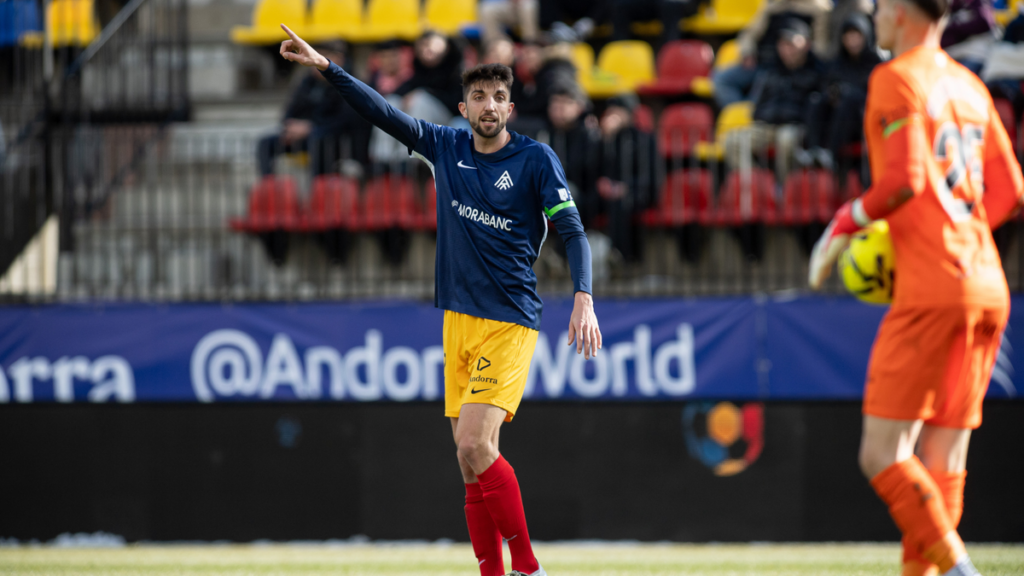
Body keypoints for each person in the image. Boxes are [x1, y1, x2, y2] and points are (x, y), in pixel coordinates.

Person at [278, 23, 601, 576]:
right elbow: (382, 112)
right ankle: (491, 572)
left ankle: (527, 568)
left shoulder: (536, 159)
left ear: (510, 107)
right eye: (479, 96)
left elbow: (572, 231)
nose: (489, 105)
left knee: (475, 443)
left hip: (509, 319)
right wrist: (327, 68)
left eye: (498, 96)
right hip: (458, 320)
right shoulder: (445, 146)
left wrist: (583, 297)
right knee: (468, 461)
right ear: (463, 107)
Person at [808, 0, 1024, 575]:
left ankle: (960, 572)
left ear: (902, 11)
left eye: (881, 5)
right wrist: (957, 233)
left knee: (882, 453)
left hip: (933, 288)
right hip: (986, 285)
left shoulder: (896, 77)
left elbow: (905, 179)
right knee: (943, 459)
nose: (874, 14)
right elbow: (1010, 191)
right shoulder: (969, 84)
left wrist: (845, 221)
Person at [724, 18, 823, 182]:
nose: (786, 49)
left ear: (806, 44)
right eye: (782, 44)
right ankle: (757, 186)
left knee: (786, 139)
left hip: (796, 127)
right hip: (766, 125)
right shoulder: (769, 70)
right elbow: (758, 103)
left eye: (791, 43)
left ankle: (785, 188)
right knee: (732, 141)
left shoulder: (817, 71)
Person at [256, 43, 371, 176]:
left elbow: (345, 120)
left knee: (318, 139)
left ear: (339, 58)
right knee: (266, 143)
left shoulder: (350, 83)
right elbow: (290, 111)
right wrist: (290, 128)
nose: (316, 60)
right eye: (313, 55)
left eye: (323, 56)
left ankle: (317, 185)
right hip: (306, 136)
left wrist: (310, 127)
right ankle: (268, 184)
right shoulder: (307, 82)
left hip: (336, 140)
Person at [713, 0, 832, 108]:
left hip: (784, 69)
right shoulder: (773, 6)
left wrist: (801, 58)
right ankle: (737, 115)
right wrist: (747, 52)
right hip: (760, 62)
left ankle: (746, 115)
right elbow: (749, 35)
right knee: (721, 79)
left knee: (759, 98)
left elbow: (820, 47)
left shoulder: (819, 10)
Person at [802, 12, 882, 170]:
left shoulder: (875, 63)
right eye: (848, 36)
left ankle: (830, 153)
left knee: (849, 99)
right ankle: (813, 150)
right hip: (835, 115)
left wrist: (847, 93)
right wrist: (833, 94)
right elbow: (826, 86)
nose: (852, 41)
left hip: (861, 118)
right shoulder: (837, 64)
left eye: (856, 36)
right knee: (816, 100)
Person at [597, 94, 657, 263]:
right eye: (610, 112)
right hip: (611, 192)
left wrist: (626, 187)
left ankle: (620, 257)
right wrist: (606, 140)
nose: (613, 116)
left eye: (618, 112)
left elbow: (649, 176)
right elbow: (597, 168)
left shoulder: (644, 138)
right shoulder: (606, 139)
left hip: (638, 191)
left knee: (622, 203)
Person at [544, 85, 601, 228]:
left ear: (580, 107)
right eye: (555, 102)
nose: (559, 108)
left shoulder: (589, 136)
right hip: (547, 192)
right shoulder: (543, 133)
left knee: (567, 193)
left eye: (566, 102)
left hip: (582, 197)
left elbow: (588, 175)